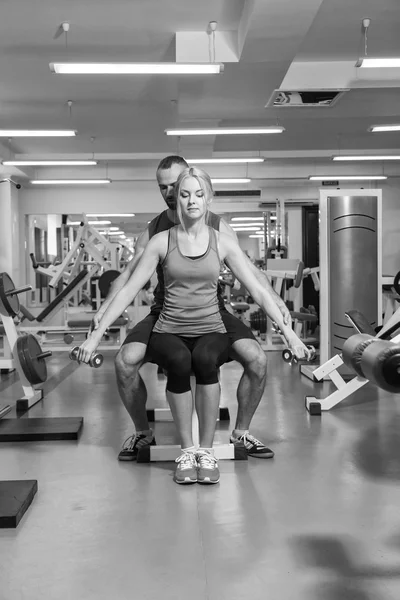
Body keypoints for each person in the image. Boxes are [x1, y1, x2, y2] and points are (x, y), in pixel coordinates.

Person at [78, 167, 311, 484]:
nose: (188, 199)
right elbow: (129, 285)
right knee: (150, 360)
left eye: (197, 194)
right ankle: (158, 439)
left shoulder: (221, 237)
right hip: (167, 316)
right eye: (182, 193)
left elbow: (256, 287)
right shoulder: (158, 237)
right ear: (175, 198)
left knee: (239, 358)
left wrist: (291, 336)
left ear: (209, 197)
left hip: (212, 315)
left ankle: (229, 439)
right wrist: (94, 336)